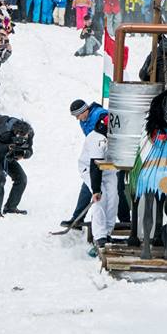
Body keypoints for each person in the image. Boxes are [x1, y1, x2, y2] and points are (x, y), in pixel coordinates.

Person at [62, 99, 109, 228]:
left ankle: (125, 221)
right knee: (88, 186)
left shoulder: (99, 114)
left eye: (78, 115)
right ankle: (77, 218)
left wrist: (104, 122)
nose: (77, 119)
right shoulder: (83, 121)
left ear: (84, 110)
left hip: (108, 156)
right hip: (96, 156)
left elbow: (109, 120)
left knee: (117, 190)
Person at [82, 114, 117, 249]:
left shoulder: (114, 137)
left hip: (109, 169)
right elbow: (94, 165)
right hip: (91, 169)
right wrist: (96, 189)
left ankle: (108, 232)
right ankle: (100, 235)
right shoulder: (96, 139)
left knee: (114, 198)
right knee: (100, 200)